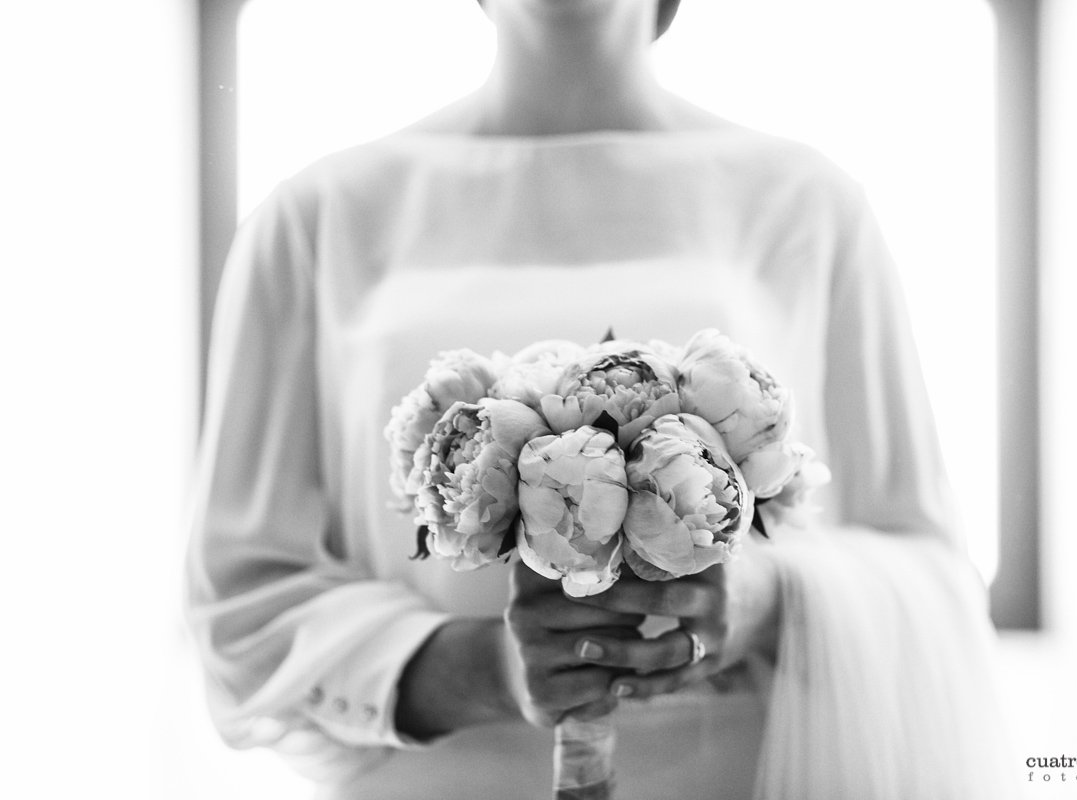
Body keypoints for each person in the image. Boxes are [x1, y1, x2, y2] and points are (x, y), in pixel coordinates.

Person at [186, 1, 1017, 797]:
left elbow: (928, 569)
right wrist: (491, 670)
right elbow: (245, 606)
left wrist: (761, 602)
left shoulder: (807, 203)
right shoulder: (313, 218)